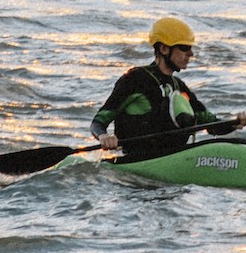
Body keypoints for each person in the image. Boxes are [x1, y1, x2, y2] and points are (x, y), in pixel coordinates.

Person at [91, 16, 229, 161]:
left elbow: (211, 124)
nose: (190, 54)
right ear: (164, 49)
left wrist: (237, 122)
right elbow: (98, 122)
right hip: (138, 160)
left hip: (174, 159)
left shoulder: (179, 87)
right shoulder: (135, 80)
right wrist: (104, 136)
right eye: (184, 48)